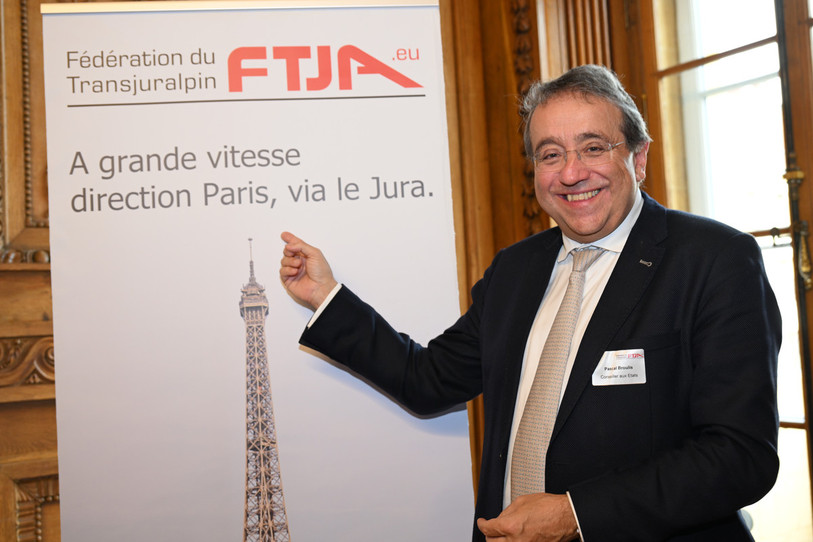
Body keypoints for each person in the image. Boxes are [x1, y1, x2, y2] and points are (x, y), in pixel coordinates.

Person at [279, 64, 781, 542]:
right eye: (550, 154)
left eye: (593, 147)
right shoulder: (515, 271)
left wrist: (574, 516)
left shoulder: (715, 259)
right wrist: (326, 296)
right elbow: (428, 380)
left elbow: (740, 455)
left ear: (639, 157)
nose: (571, 173)